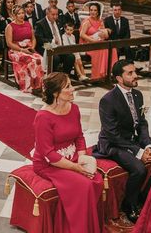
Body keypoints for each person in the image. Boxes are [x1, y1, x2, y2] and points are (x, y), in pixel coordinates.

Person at [92, 60, 151, 224]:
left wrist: (148, 145)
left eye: (134, 71)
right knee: (139, 169)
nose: (135, 75)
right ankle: (128, 205)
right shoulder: (108, 100)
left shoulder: (137, 95)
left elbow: (142, 123)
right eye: (129, 73)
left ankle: (145, 196)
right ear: (119, 78)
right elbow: (112, 134)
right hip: (113, 144)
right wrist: (139, 152)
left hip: (133, 140)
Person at [32, 72, 104, 233]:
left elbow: (79, 136)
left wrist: (83, 157)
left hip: (73, 157)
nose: (73, 89)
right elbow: (48, 154)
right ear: (56, 93)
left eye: (71, 85)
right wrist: (75, 167)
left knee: (96, 179)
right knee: (84, 184)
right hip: (49, 164)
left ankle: (89, 226)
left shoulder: (74, 109)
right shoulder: (43, 117)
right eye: (68, 87)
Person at [5, 5, 45, 92]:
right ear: (15, 15)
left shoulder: (28, 24)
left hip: (29, 48)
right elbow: (9, 43)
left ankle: (38, 84)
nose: (22, 15)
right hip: (16, 50)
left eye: (23, 13)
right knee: (31, 61)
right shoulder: (10, 26)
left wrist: (32, 47)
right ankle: (29, 85)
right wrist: (22, 50)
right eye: (19, 13)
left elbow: (33, 38)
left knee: (40, 59)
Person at [80, 2, 117, 80]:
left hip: (98, 43)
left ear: (98, 12)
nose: (92, 12)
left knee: (112, 48)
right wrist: (92, 41)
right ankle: (98, 75)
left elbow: (104, 34)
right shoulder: (87, 22)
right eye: (91, 10)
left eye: (95, 10)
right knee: (101, 50)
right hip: (88, 44)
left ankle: (110, 72)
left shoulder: (100, 21)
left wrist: (105, 33)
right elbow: (82, 35)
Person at [34, 6, 75, 75]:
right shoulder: (40, 24)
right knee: (55, 58)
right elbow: (39, 39)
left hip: (59, 47)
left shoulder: (58, 22)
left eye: (57, 14)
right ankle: (52, 77)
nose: (55, 17)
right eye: (53, 14)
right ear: (47, 13)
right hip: (45, 46)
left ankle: (64, 76)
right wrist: (52, 41)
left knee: (71, 57)